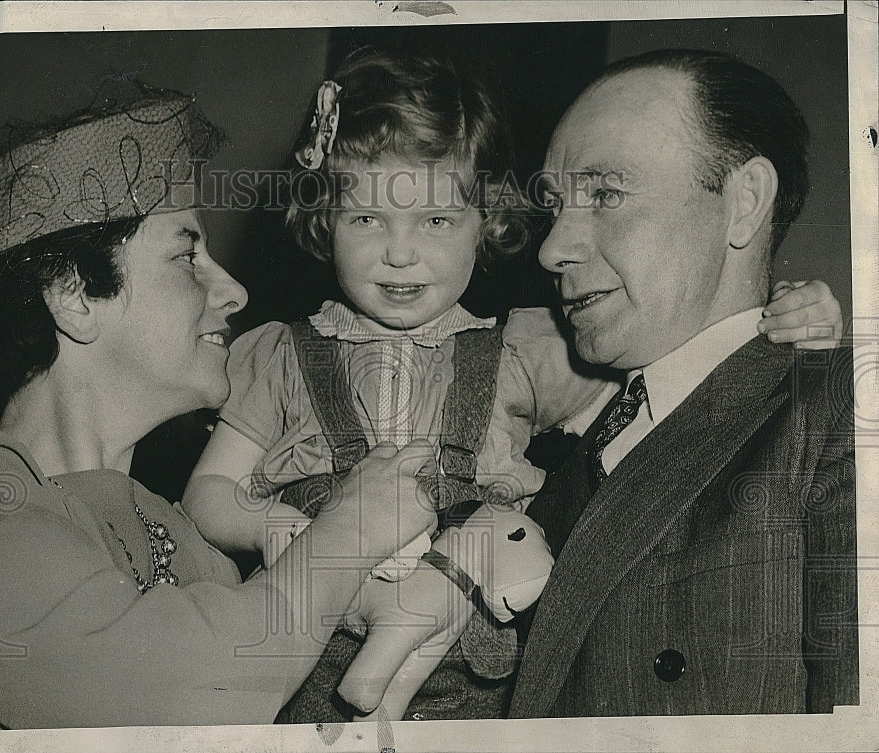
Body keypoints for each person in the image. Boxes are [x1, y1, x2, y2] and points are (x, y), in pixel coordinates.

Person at [180, 51, 846, 722]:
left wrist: (782, 321)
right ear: (327, 223)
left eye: (607, 193)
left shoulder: (528, 354)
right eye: (366, 218)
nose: (552, 248)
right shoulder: (281, 354)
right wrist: (280, 528)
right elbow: (211, 495)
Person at [0, 86, 439, 729]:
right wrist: (348, 531)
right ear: (74, 296)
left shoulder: (190, 539)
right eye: (188, 256)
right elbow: (183, 693)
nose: (235, 291)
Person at [507, 49, 858, 717]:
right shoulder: (553, 429)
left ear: (744, 202)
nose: (552, 248)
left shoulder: (838, 413)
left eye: (606, 193)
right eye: (555, 206)